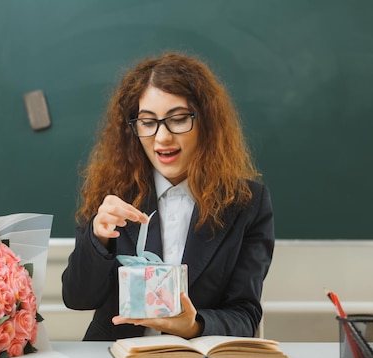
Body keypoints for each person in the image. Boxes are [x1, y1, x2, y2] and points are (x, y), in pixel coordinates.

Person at [62, 52, 274, 341]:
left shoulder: (247, 202)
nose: (162, 138)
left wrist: (194, 325)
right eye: (148, 122)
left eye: (177, 119)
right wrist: (98, 237)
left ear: (207, 124)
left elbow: (245, 315)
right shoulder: (112, 194)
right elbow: (77, 298)